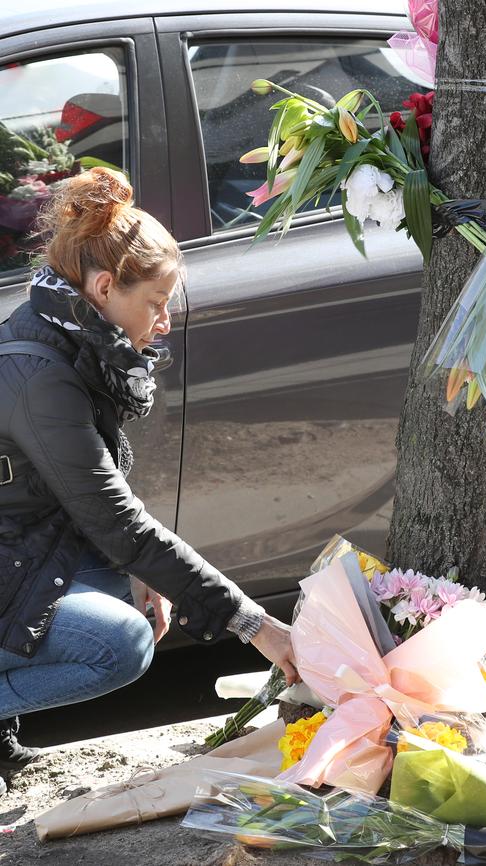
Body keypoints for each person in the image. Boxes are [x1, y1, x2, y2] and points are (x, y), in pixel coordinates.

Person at [0, 167, 298, 797]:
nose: (164, 322)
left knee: (128, 593)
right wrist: (254, 624)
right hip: (13, 555)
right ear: (105, 287)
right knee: (122, 645)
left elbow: (93, 497)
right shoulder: (40, 373)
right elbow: (115, 517)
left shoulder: (67, 334)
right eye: (156, 304)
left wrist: (142, 573)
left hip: (22, 548)